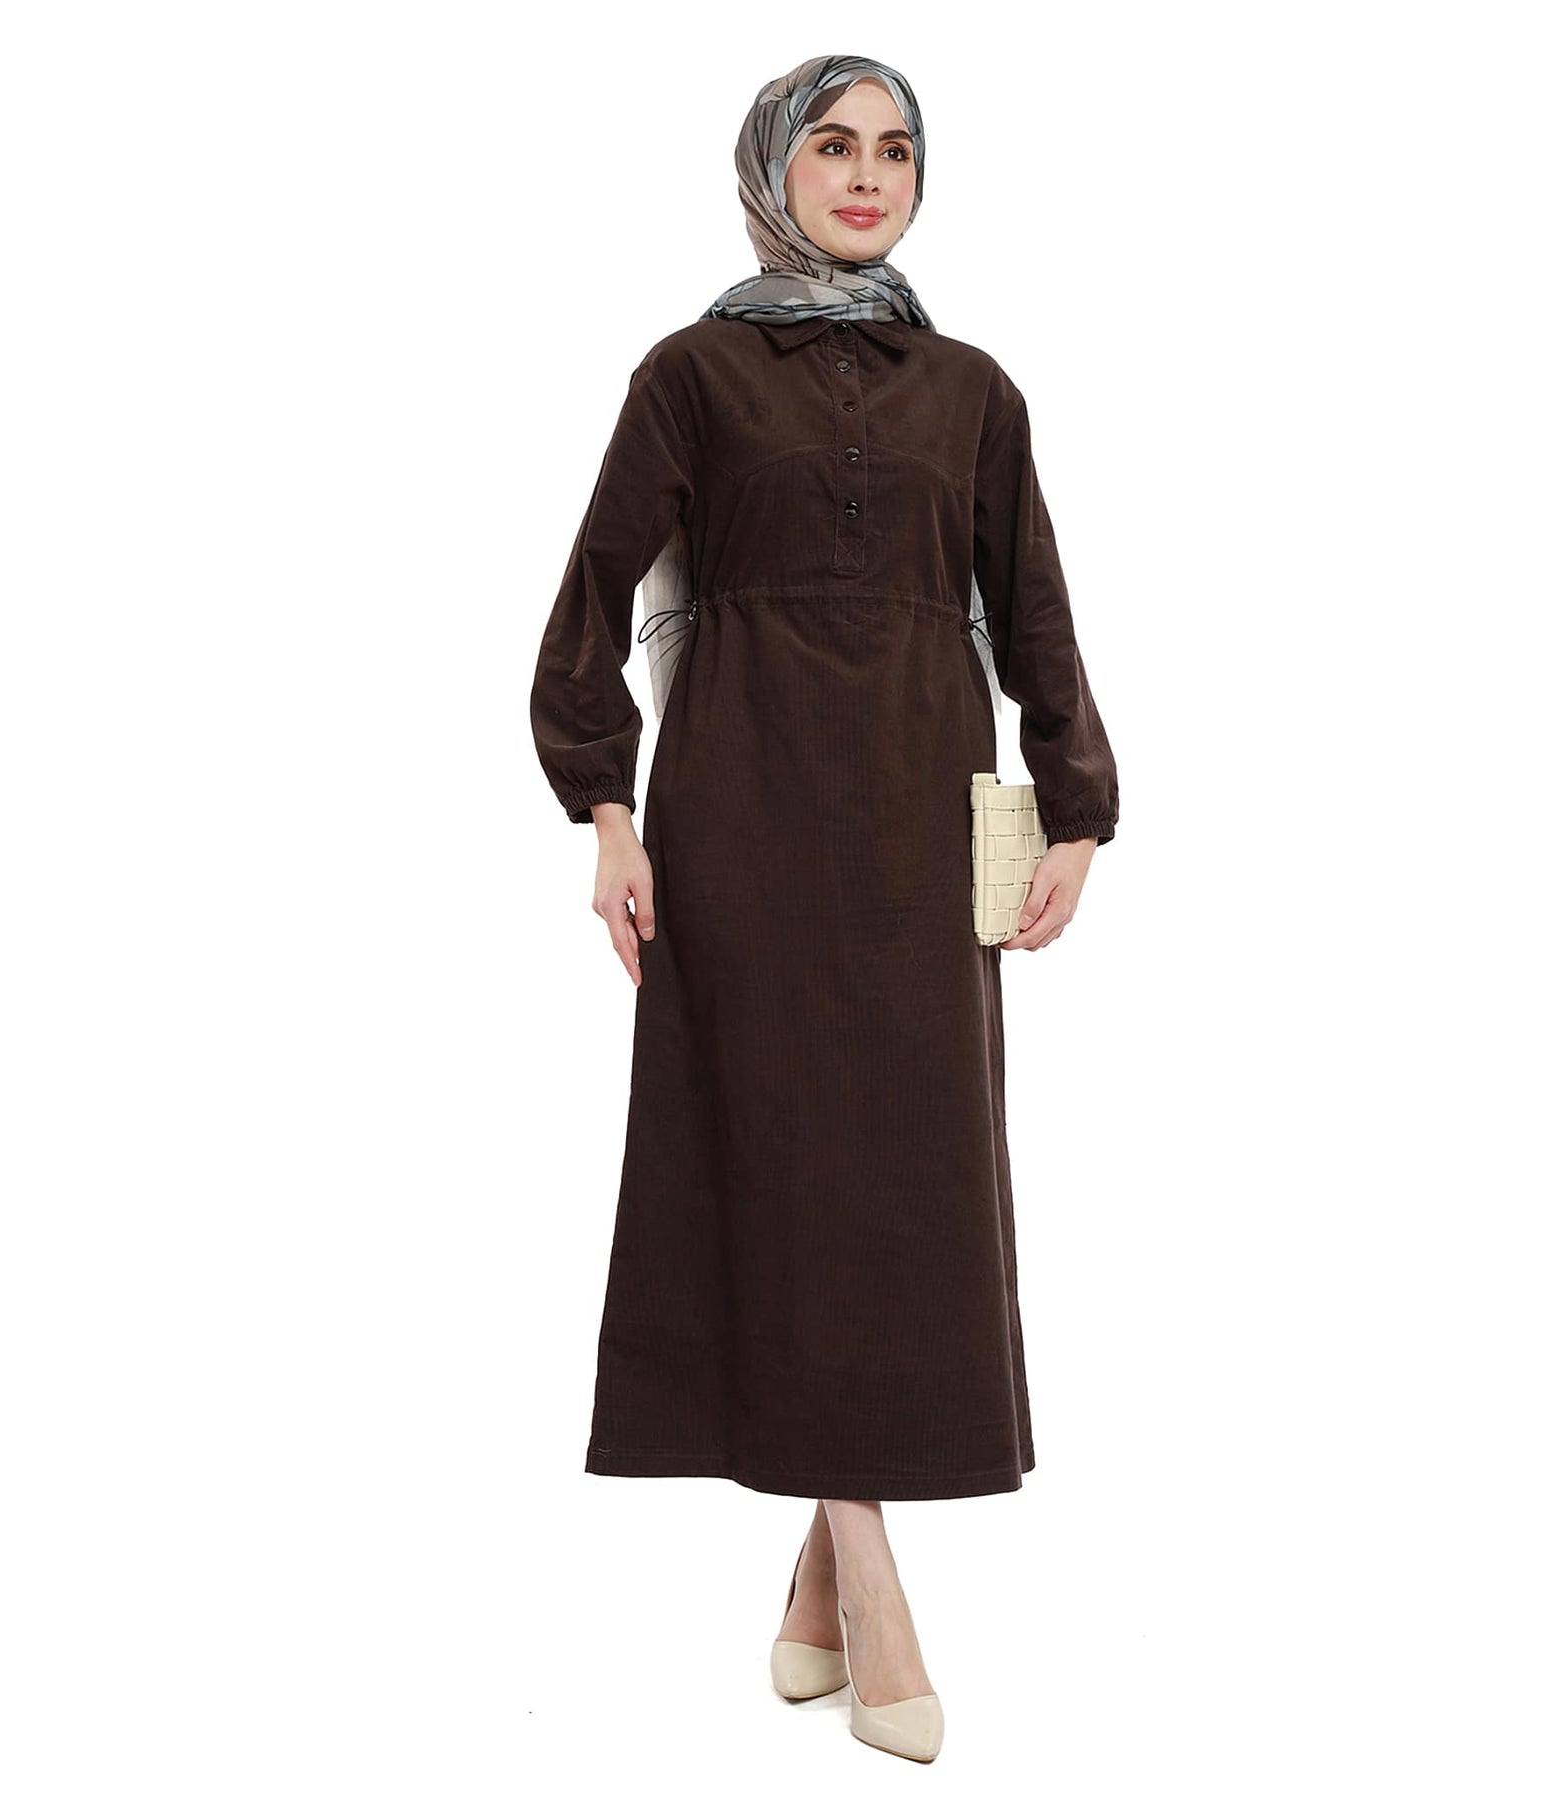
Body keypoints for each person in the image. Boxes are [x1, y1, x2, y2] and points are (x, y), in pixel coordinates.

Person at [529, 53, 1119, 1763]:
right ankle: (873, 1579)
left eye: (897, 151)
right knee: (781, 1168)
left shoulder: (973, 391)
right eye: (835, 147)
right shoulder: (692, 375)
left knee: (906, 1188)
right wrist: (607, 813)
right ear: (772, 170)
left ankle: (813, 1587)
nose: (868, 176)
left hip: (921, 830)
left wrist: (1078, 805)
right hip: (740, 824)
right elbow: (587, 606)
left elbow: (1034, 609)